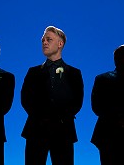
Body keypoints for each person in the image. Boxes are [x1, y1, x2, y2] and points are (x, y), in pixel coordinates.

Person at [21, 26, 84, 165]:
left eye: (49, 39)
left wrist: (58, 120)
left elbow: (77, 101)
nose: (44, 42)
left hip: (64, 132)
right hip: (36, 130)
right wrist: (42, 119)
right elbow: (25, 99)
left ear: (60, 44)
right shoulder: (33, 72)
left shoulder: (74, 73)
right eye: (43, 40)